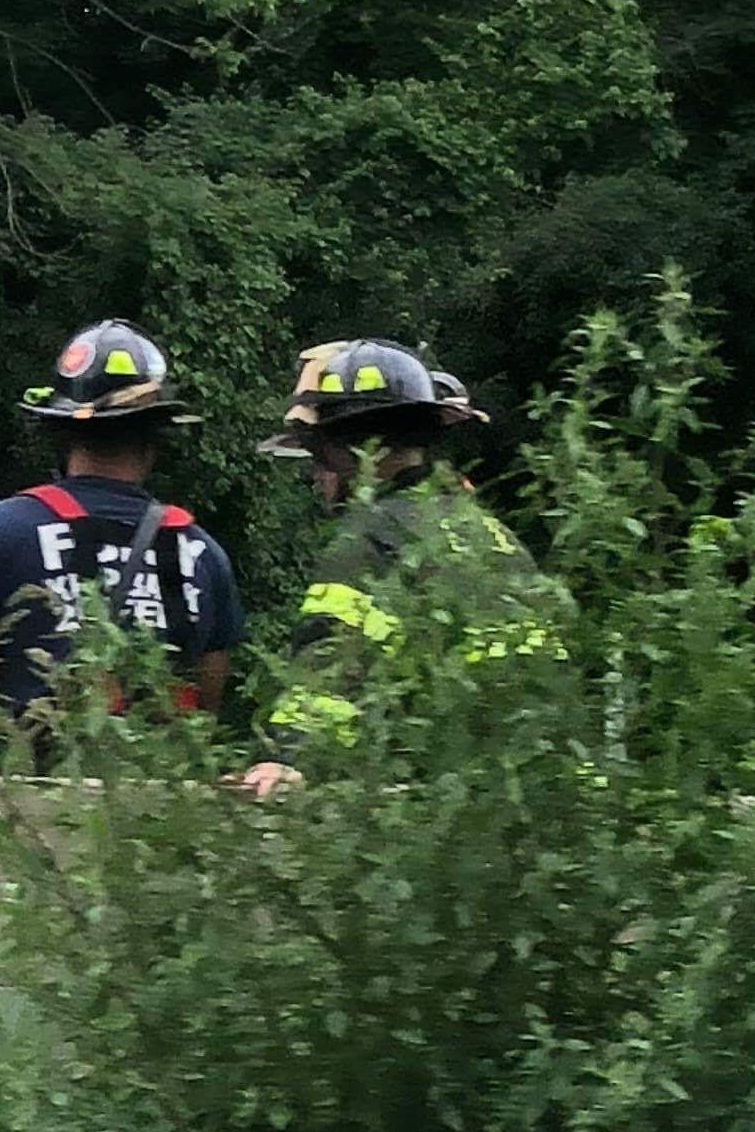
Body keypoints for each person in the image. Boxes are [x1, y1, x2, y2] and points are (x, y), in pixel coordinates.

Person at [238, 336, 557, 796]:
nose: (316, 474)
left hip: (448, 798)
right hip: (533, 789)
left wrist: (287, 758)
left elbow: (329, 663)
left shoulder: (371, 536)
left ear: (356, 450)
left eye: (319, 453)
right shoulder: (492, 534)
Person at [0, 318, 241, 731]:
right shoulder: (205, 555)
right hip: (160, 791)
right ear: (154, 436)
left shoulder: (0, 531)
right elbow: (205, 714)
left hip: (29, 789)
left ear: (59, 433)